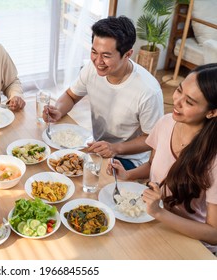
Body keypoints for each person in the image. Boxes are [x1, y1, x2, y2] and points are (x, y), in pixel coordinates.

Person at [109, 63, 217, 254]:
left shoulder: (214, 159)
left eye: (189, 102)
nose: (177, 102)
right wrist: (128, 175)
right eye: (178, 90)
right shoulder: (166, 122)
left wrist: (159, 213)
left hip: (191, 243)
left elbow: (213, 234)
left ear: (212, 112)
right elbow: (153, 164)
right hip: (153, 221)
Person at [44, 16, 163, 170]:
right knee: (55, 164)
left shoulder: (148, 91)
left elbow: (152, 139)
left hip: (127, 159)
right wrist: (58, 110)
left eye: (106, 56)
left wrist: (115, 148)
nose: (98, 61)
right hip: (97, 149)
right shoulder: (91, 69)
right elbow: (71, 96)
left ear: (127, 54)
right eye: (94, 52)